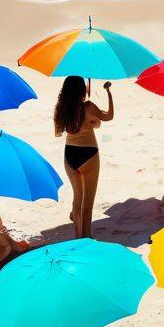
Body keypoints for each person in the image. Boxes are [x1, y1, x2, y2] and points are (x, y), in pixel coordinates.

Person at [54, 75, 114, 238]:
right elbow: (108, 116)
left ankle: (77, 236)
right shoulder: (88, 106)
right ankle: (86, 238)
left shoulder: (61, 108)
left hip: (70, 154)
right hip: (88, 154)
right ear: (82, 89)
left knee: (77, 198)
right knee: (87, 204)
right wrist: (108, 92)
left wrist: (84, 122)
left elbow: (58, 133)